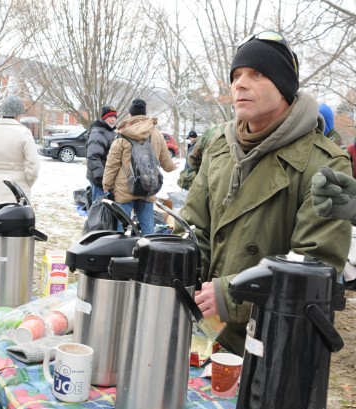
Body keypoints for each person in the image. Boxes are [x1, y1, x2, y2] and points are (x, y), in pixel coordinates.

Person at [176, 30, 351, 356]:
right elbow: (194, 228)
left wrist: (232, 295)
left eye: (257, 74)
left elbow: (318, 265)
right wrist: (173, 269)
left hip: (278, 341)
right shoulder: (219, 147)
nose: (240, 84)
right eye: (237, 75)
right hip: (209, 332)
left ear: (284, 87)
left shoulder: (330, 163)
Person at [103, 98, 176, 234]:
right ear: (144, 114)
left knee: (121, 229)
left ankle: (119, 254)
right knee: (148, 227)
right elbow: (166, 163)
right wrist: (173, 167)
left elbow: (111, 165)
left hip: (124, 189)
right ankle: (147, 253)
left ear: (131, 115)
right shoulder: (157, 134)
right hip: (147, 186)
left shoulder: (123, 135)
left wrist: (107, 186)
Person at [86, 105, 117, 204]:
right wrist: (101, 179)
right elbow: (93, 156)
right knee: (99, 210)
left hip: (106, 178)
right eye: (110, 117)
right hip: (99, 179)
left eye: (115, 117)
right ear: (104, 117)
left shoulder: (109, 131)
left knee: (104, 210)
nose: (113, 119)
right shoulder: (98, 132)